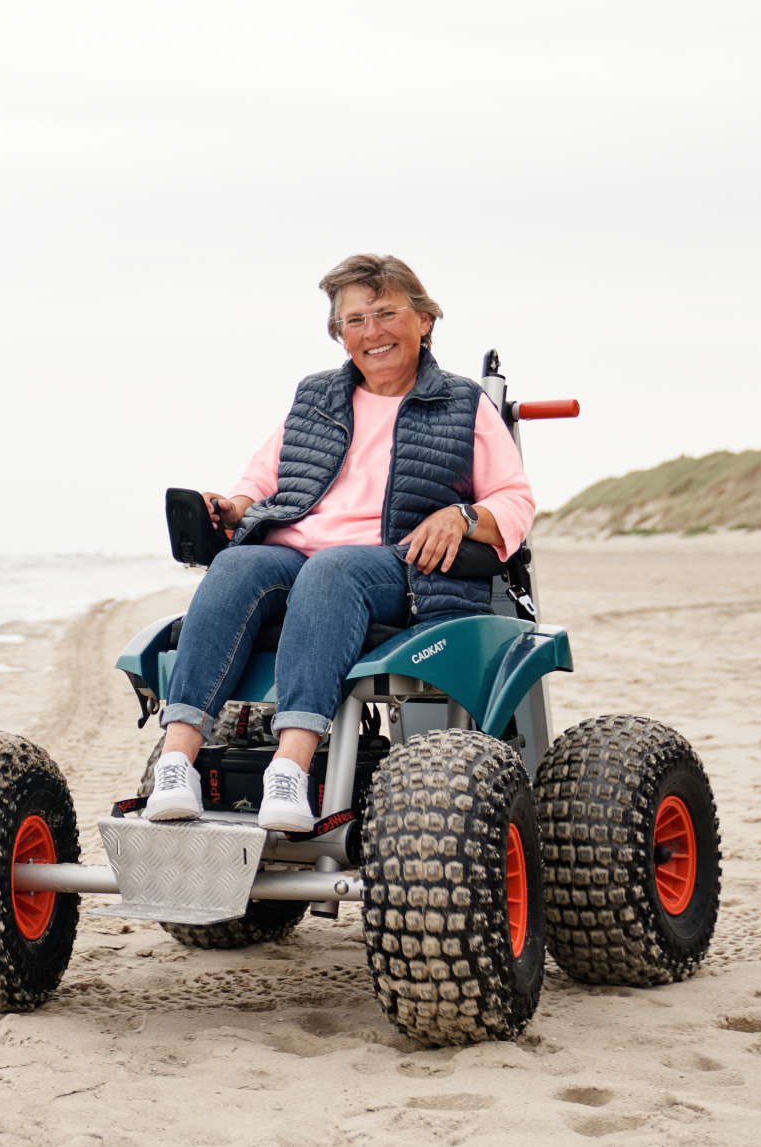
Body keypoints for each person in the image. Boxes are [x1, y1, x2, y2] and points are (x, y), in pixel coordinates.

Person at [145, 253, 536, 831]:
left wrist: (461, 515)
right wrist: (234, 508)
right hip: (292, 551)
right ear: (339, 334)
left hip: (391, 564)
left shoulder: (464, 403)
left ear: (424, 320)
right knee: (235, 565)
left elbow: (515, 500)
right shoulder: (316, 396)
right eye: (354, 320)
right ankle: (176, 763)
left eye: (386, 314)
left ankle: (290, 770)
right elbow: (261, 478)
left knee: (333, 569)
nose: (371, 332)